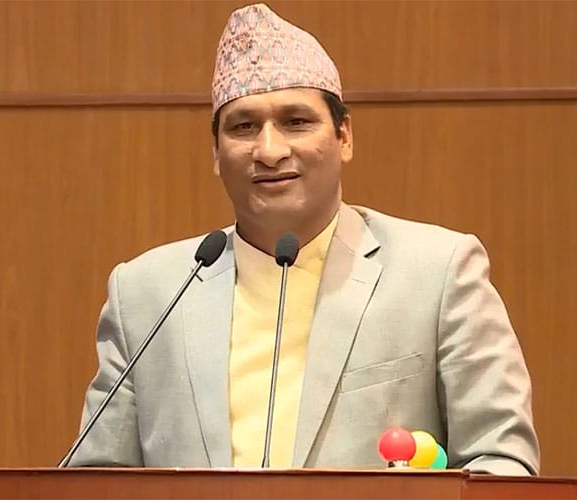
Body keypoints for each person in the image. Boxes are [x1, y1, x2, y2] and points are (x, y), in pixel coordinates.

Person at [69, 3, 540, 475]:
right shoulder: (147, 294)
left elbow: (501, 463)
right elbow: (96, 477)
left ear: (344, 136)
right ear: (215, 151)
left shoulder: (437, 273)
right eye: (243, 127)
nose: (270, 151)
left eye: (296, 122)